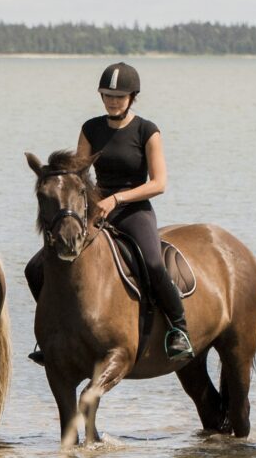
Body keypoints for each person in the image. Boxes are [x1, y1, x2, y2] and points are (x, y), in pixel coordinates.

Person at [27, 61, 192, 364]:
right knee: (36, 267)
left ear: (132, 97)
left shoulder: (147, 131)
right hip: (95, 208)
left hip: (133, 209)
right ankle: (52, 334)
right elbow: (79, 176)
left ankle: (178, 329)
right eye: (107, 95)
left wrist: (116, 200)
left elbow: (159, 183)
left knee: (154, 264)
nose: (113, 101)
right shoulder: (90, 129)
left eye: (119, 96)